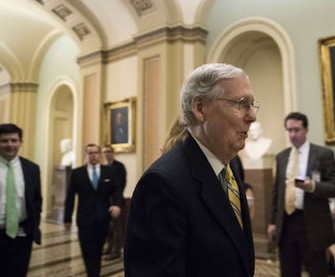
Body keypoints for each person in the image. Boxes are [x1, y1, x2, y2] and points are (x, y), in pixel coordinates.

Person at [124, 63, 257, 277]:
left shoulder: (228, 167)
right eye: (241, 103)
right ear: (200, 108)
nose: (252, 116)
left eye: (252, 104)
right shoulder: (162, 184)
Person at [267, 112, 335, 277]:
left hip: (312, 223)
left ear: (306, 130)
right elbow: (276, 191)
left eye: (297, 130)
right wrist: (272, 221)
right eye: (289, 130)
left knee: (317, 270)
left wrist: (313, 186)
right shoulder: (281, 157)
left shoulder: (323, 154)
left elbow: (334, 187)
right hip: (286, 223)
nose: (292, 135)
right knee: (288, 271)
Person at [64, 143, 123, 277]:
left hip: (103, 218)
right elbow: (70, 196)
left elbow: (117, 190)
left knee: (98, 248)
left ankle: (94, 271)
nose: (93, 155)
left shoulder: (109, 171)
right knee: (87, 249)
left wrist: (117, 204)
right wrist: (67, 218)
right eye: (90, 153)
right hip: (84, 219)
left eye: (96, 152)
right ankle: (93, 273)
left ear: (100, 155)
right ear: (85, 156)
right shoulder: (77, 173)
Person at [0, 123, 42, 277]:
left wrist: (34, 224)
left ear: (20, 142)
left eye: (13, 140)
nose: (9, 145)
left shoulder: (32, 168)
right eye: (4, 141)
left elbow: (37, 200)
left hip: (22, 235)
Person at [101, 144, 127, 260]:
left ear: (112, 153)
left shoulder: (119, 166)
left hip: (116, 202)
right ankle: (109, 247)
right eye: (104, 152)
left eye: (108, 151)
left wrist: (116, 201)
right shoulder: (105, 167)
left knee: (117, 227)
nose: (106, 154)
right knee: (108, 228)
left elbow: (120, 184)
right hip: (106, 201)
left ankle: (117, 250)